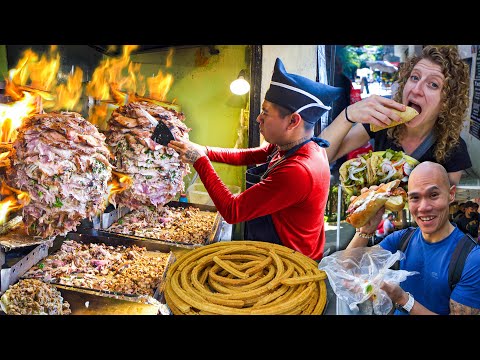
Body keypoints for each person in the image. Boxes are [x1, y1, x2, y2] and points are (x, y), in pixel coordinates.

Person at [168, 58, 342, 261]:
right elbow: (250, 155)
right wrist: (204, 150)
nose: (258, 118)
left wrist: (199, 161)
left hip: (290, 265)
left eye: (266, 113)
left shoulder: (298, 171)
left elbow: (232, 211)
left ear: (294, 121)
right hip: (276, 252)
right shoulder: (294, 145)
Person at [320, 45, 472, 186]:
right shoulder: (383, 121)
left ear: (446, 102)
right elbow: (322, 157)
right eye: (415, 77)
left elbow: (443, 204)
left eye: (433, 84)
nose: (417, 89)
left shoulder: (454, 149)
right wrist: (348, 115)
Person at [347, 161, 480, 315]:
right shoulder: (402, 238)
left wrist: (403, 299)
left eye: (434, 195)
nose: (423, 207)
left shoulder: (472, 258)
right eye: (415, 197)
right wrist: (365, 230)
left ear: (451, 194)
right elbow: (347, 268)